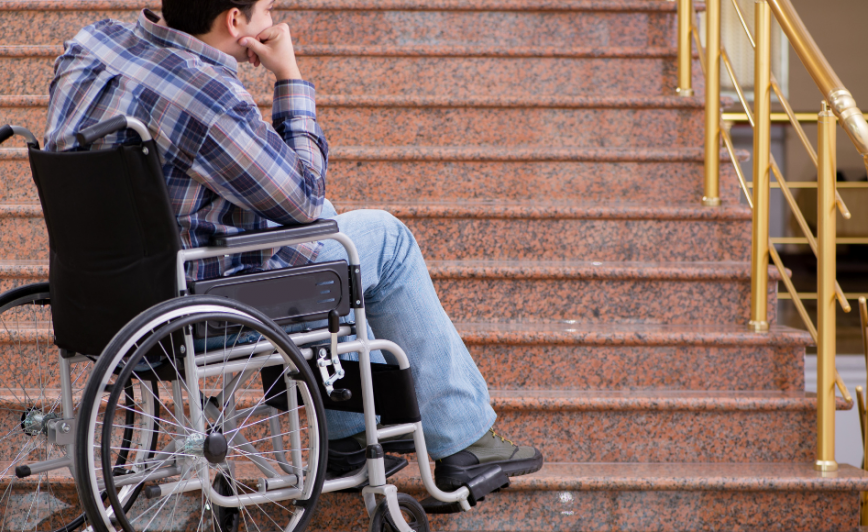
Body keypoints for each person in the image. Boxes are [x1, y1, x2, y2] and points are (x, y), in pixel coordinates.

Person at [44, 0, 542, 493]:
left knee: (328, 235)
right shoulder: (207, 99)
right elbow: (303, 195)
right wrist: (289, 76)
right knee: (381, 241)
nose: (275, 21)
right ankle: (462, 441)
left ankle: (346, 438)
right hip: (198, 303)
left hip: (100, 297)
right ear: (235, 21)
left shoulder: (93, 44)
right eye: (269, 8)